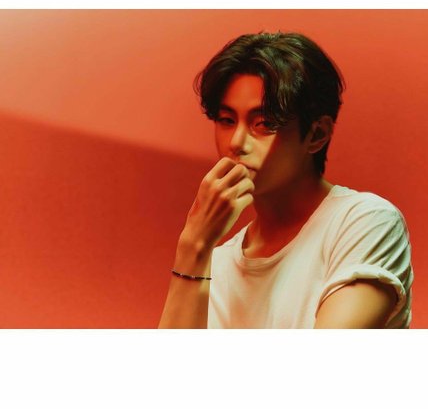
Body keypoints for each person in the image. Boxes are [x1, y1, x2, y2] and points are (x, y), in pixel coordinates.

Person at [158, 32, 413, 329]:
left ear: (317, 134)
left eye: (264, 123)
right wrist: (193, 246)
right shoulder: (214, 264)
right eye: (227, 120)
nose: (236, 142)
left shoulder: (364, 222)